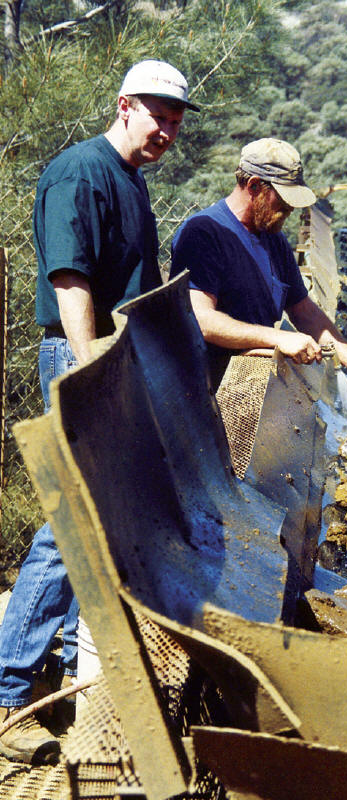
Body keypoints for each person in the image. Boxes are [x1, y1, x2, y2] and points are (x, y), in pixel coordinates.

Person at [0, 59, 199, 765]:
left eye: (176, 121)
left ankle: (44, 671)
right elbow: (69, 278)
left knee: (96, 527)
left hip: (116, 364)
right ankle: (9, 695)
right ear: (124, 106)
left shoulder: (129, 181)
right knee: (69, 529)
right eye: (158, 115)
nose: (167, 131)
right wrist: (93, 376)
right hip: (84, 362)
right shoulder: (80, 173)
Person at [170, 138, 347, 393]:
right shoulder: (204, 233)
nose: (290, 209)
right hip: (209, 390)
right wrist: (279, 337)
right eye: (282, 202)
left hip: (251, 384)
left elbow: (302, 310)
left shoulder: (272, 238)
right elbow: (201, 320)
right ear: (253, 186)